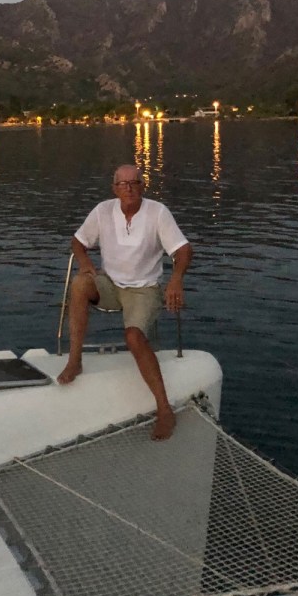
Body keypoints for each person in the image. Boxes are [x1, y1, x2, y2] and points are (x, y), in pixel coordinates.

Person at [57, 164, 192, 440]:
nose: (129, 188)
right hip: (110, 284)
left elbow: (183, 250)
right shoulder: (103, 211)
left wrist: (176, 279)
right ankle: (74, 360)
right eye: (123, 184)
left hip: (144, 289)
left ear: (143, 186)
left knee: (133, 337)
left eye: (134, 183)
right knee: (80, 283)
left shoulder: (157, 212)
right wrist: (84, 262)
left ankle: (164, 408)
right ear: (114, 188)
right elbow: (78, 242)